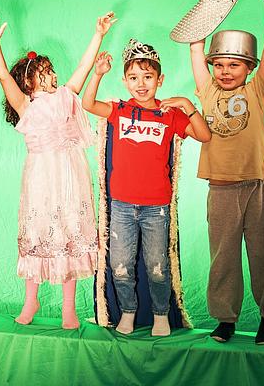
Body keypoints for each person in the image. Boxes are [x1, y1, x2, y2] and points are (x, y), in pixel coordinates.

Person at [0, 12, 115, 329]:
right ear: (28, 83)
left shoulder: (67, 97)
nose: (52, 75)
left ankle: (69, 308)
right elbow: (3, 76)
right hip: (41, 180)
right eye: (44, 72)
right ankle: (31, 300)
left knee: (69, 233)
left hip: (70, 178)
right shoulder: (26, 105)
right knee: (38, 234)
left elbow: (83, 68)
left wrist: (99, 34)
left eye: (52, 70)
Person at [82, 39, 211, 336]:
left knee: (157, 265)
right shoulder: (119, 109)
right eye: (133, 78)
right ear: (125, 81)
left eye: (148, 77)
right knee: (120, 264)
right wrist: (98, 74)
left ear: (160, 79)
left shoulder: (169, 114)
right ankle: (127, 312)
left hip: (156, 208)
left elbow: (205, 136)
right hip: (122, 206)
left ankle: (160, 314)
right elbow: (88, 104)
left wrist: (187, 105)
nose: (141, 84)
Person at [189, 0, 264, 345]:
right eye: (219, 64)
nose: (225, 71)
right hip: (221, 190)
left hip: (258, 186)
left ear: (249, 68)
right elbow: (196, 46)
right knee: (223, 258)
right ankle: (225, 319)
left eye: (234, 64)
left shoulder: (257, 90)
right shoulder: (207, 91)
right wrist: (202, 22)